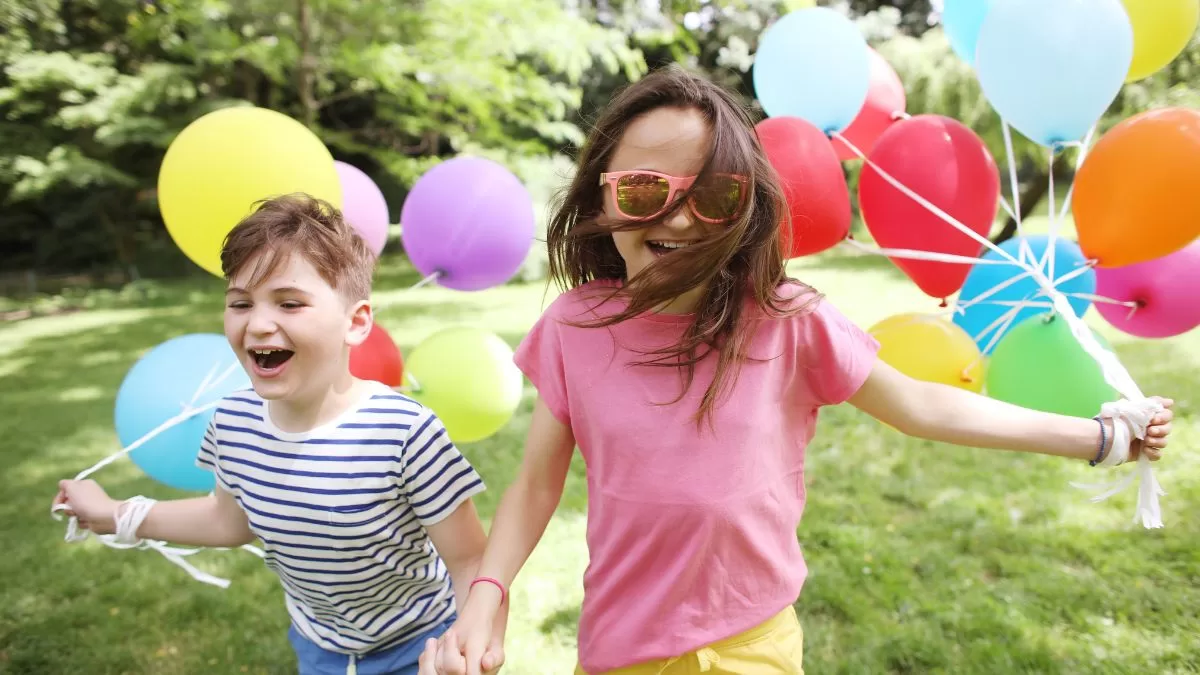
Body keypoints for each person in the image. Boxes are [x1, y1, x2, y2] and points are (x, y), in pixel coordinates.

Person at [418, 65, 1176, 675]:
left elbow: (925, 406)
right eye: (646, 190)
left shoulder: (788, 318)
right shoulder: (574, 328)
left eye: (710, 196)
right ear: (603, 199)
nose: (677, 219)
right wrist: (489, 592)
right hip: (625, 651)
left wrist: (1099, 435)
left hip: (758, 643)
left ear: (743, 209)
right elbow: (537, 480)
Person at [53, 194, 506, 675]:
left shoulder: (405, 434)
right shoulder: (233, 422)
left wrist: (469, 649)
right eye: (240, 303)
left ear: (355, 323)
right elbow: (228, 521)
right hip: (318, 645)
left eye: (290, 303)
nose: (259, 324)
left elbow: (470, 561)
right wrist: (117, 515)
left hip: (422, 646)